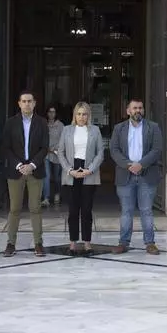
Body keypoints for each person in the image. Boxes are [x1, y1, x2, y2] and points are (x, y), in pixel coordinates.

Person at [109, 98, 164, 255]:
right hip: (125, 175)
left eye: (140, 108)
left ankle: (150, 243)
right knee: (126, 211)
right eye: (134, 108)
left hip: (147, 175)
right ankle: (123, 242)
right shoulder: (119, 128)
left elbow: (157, 149)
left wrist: (141, 164)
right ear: (128, 111)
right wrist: (128, 165)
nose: (138, 110)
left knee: (146, 210)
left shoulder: (153, 127)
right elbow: (114, 150)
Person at [0, 90, 48, 257]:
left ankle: (38, 243)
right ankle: (10, 243)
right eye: (24, 101)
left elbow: (44, 147)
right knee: (14, 208)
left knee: (35, 208)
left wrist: (32, 165)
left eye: (30, 101)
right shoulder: (10, 123)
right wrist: (20, 165)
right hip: (16, 171)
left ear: (34, 103)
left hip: (35, 170)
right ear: (19, 104)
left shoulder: (42, 123)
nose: (27, 104)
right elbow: (6, 147)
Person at [56, 101, 104, 254]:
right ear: (74, 115)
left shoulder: (95, 130)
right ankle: (73, 243)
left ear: (88, 115)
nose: (81, 117)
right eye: (79, 114)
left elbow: (100, 153)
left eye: (84, 114)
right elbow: (60, 152)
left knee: (87, 210)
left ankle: (87, 243)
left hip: (89, 171)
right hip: (72, 172)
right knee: (73, 210)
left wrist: (89, 169)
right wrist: (70, 170)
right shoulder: (67, 130)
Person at [44, 105, 64, 208]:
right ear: (47, 113)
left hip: (57, 154)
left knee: (56, 177)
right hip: (46, 154)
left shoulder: (60, 125)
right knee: (46, 176)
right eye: (50, 112)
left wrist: (55, 149)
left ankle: (57, 194)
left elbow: (63, 139)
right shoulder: (44, 124)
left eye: (53, 112)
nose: (51, 114)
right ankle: (46, 198)